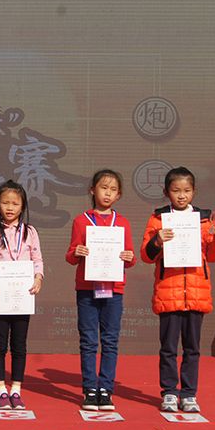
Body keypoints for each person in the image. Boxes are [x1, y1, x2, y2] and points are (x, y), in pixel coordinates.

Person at [140, 166, 215, 413]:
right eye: (176, 190)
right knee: (168, 348)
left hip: (196, 292)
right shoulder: (158, 219)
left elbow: (213, 255)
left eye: (186, 191)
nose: (181, 195)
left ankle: (189, 394)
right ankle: (169, 392)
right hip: (168, 292)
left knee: (192, 348)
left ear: (194, 192)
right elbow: (146, 255)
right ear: (166, 192)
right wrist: (157, 240)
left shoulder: (204, 219)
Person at [65, 169, 135, 411]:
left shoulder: (122, 222)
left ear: (119, 195)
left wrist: (128, 257)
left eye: (113, 190)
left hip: (114, 289)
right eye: (104, 188)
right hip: (87, 288)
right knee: (88, 340)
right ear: (92, 190)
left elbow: (130, 257)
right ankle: (89, 388)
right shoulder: (81, 220)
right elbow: (70, 256)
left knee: (110, 340)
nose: (108, 193)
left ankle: (105, 389)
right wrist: (77, 252)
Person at [0, 180, 43, 410]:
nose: (10, 207)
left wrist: (38, 278)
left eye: (15, 203)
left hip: (23, 295)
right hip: (0, 294)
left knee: (19, 344)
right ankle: (0, 390)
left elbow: (37, 259)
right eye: (5, 202)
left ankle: (16, 389)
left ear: (22, 206)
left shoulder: (30, 232)